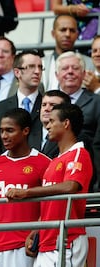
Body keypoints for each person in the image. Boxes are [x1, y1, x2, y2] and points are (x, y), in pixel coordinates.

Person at [6, 103, 92, 267]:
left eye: (52, 121)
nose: (48, 125)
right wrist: (37, 228)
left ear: (66, 124)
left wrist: (26, 192)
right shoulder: (55, 160)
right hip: (47, 240)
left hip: (66, 239)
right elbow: (51, 202)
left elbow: (71, 186)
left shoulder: (79, 153)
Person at [0, 108, 50, 267]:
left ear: (25, 131)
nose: (4, 136)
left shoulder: (44, 163)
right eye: (2, 131)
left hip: (22, 245)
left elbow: (50, 206)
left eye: (10, 131)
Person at [56, 51, 100, 192]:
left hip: (85, 169)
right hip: (53, 168)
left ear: (83, 74)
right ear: (56, 75)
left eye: (75, 68)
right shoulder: (47, 102)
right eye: (65, 68)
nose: (70, 72)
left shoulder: (97, 102)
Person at [0, 49, 44, 150]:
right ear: (17, 72)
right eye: (31, 67)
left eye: (40, 67)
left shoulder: (48, 106)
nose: (37, 71)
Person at [42, 15, 94, 91]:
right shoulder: (41, 63)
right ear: (53, 34)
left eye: (72, 30)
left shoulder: (90, 64)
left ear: (77, 35)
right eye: (63, 30)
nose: (67, 34)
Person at [40, 90, 71, 158]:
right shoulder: (28, 133)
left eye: (53, 105)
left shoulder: (69, 138)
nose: (46, 109)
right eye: (44, 105)